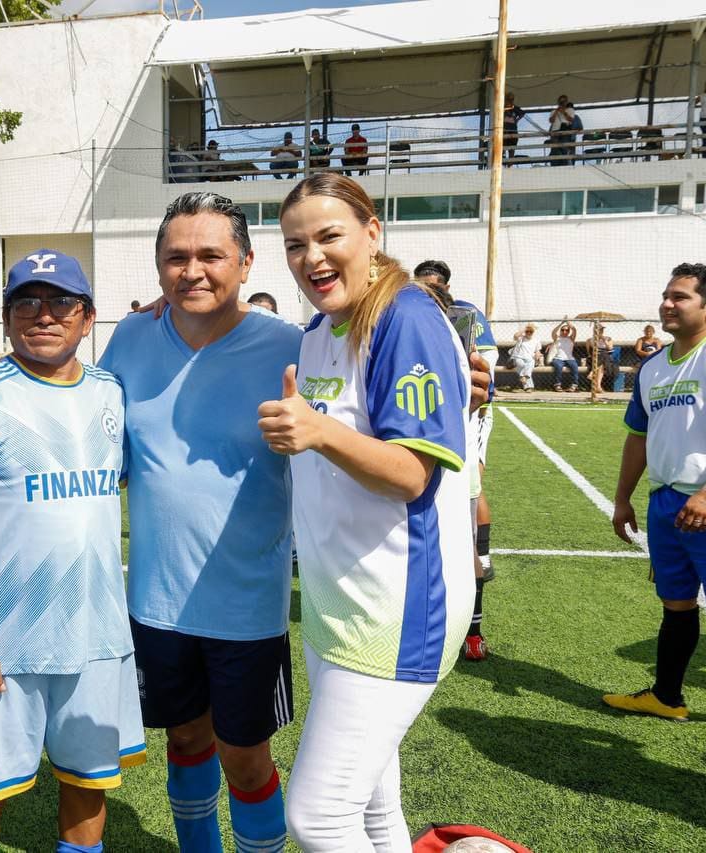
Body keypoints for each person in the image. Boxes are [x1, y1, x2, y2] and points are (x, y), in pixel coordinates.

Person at [261, 174, 472, 851]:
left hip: (397, 608)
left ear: (372, 233)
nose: (312, 258)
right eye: (296, 244)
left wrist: (319, 432)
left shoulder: (405, 316)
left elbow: (413, 475)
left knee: (319, 814)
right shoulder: (320, 332)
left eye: (329, 237)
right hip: (334, 607)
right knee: (374, 806)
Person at [99, 192, 303, 853]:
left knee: (246, 759)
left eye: (211, 254)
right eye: (176, 257)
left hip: (248, 606)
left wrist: (469, 380)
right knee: (184, 741)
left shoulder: (289, 346)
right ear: (158, 268)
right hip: (157, 603)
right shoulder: (130, 336)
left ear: (245, 263)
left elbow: (363, 399)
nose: (193, 270)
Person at [0, 250, 144, 853]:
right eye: (26, 301)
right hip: (3, 638)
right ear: (6, 317)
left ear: (88, 317)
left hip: (96, 633)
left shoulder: (110, 393)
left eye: (61, 303)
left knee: (88, 782)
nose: (42, 315)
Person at [605, 263, 706, 746]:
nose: (667, 304)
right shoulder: (653, 366)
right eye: (666, 295)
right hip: (665, 503)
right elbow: (638, 437)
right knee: (675, 604)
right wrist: (622, 498)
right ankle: (668, 696)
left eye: (679, 297)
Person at [413, 259, 497, 648]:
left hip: (453, 463)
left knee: (460, 549)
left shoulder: (463, 350)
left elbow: (478, 402)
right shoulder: (409, 343)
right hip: (422, 464)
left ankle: (473, 631)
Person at [550, 320, 580, 391]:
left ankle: (574, 385)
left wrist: (568, 323)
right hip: (558, 358)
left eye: (567, 330)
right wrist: (561, 323)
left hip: (569, 358)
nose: (564, 332)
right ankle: (557, 385)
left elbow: (574, 330)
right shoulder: (557, 338)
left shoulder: (571, 338)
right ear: (560, 331)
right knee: (558, 366)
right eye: (562, 330)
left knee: (575, 367)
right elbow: (553, 332)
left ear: (568, 331)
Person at [511, 324, 540, 391]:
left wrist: (537, 356)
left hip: (530, 358)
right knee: (522, 365)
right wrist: (525, 328)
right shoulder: (521, 338)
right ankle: (528, 384)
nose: (529, 333)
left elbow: (537, 351)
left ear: (533, 332)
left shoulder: (536, 340)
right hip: (518, 357)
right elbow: (515, 336)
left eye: (531, 332)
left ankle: (524, 378)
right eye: (527, 331)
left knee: (530, 363)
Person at [589, 323, 617, 392]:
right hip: (596, 357)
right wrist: (597, 339)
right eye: (599, 330)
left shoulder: (608, 338)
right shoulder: (591, 339)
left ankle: (592, 373)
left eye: (602, 330)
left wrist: (604, 341)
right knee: (602, 360)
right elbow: (592, 351)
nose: (601, 331)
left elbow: (610, 348)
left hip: (606, 357)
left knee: (604, 355)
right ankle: (598, 387)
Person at [548, 96, 575, 165]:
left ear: (566, 102)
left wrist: (564, 112)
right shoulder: (554, 111)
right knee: (555, 149)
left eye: (564, 102)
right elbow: (551, 120)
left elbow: (571, 120)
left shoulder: (570, 110)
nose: (562, 103)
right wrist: (556, 111)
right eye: (561, 102)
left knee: (564, 147)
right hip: (555, 132)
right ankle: (555, 164)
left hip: (565, 132)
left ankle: (565, 163)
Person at [502, 93, 525, 162]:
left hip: (513, 129)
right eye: (509, 99)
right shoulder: (502, 107)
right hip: (504, 129)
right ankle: (501, 163)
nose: (510, 101)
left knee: (512, 149)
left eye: (512, 99)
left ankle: (510, 165)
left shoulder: (515, 108)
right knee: (502, 148)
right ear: (506, 99)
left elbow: (522, 113)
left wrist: (517, 120)